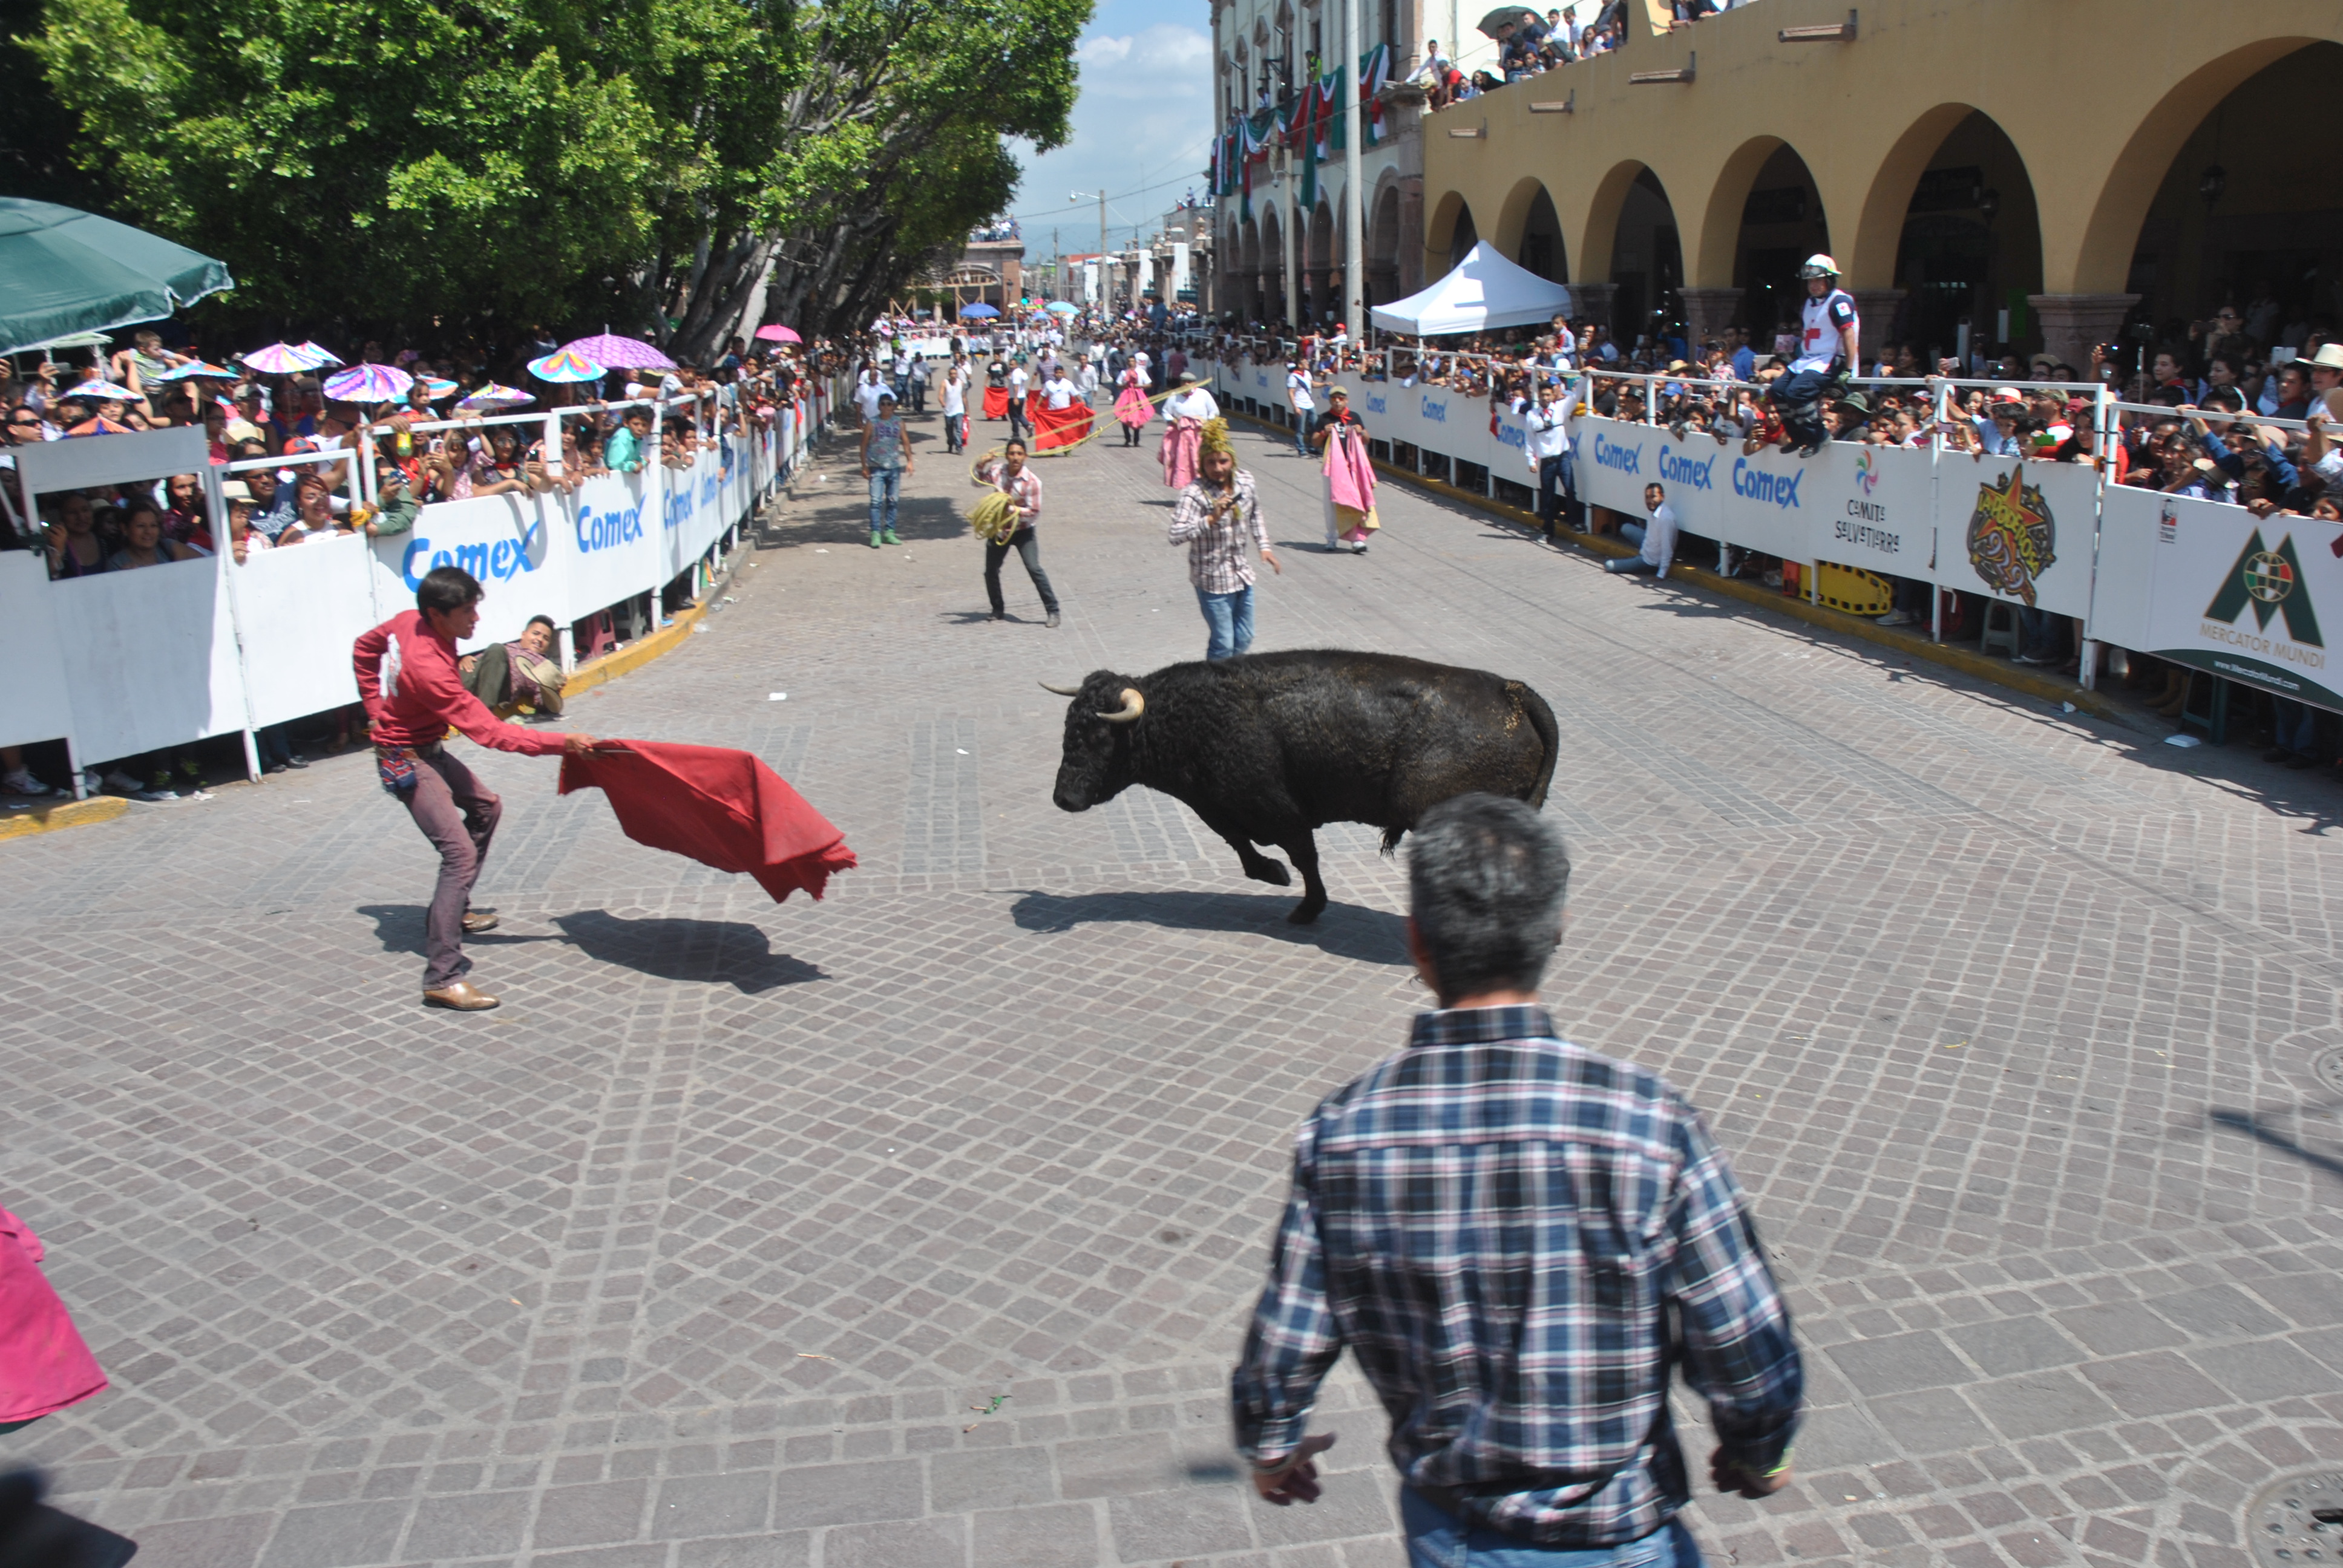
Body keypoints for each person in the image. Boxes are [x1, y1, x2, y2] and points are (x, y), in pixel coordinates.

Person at [1230, 792, 1801, 1563]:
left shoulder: (1345, 1134)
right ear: (1555, 932)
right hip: (1625, 1527)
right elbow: (1740, 1336)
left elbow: (1288, 1339)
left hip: (1458, 1532)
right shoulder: (1647, 1123)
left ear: (1415, 943)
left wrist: (1272, 1446)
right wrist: (1757, 1450)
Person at [351, 566, 598, 1011]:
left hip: (427, 748)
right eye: (467, 612)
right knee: (459, 853)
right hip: (404, 758)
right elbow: (492, 733)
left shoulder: (410, 621)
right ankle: (443, 976)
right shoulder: (428, 670)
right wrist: (565, 744)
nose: (476, 621)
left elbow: (364, 649)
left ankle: (455, 909)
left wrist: (373, 706)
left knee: (487, 807)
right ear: (436, 613)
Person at [1167, 418, 1279, 661]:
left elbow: (1255, 513)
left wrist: (1265, 547)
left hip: (1241, 576)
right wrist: (1210, 519)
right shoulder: (1193, 494)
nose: (1217, 468)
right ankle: (1214, 688)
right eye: (1210, 463)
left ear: (1233, 461)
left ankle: (1226, 677)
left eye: (1223, 461)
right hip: (1212, 581)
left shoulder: (1246, 482)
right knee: (1223, 643)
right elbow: (1175, 535)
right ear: (1201, 464)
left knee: (1245, 637)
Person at [1773, 255, 1858, 457]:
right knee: (1777, 390)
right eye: (1811, 281)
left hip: (1830, 359)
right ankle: (1798, 436)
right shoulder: (1809, 304)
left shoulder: (1839, 301)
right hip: (1807, 360)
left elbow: (1848, 334)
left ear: (1829, 280)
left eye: (1819, 280)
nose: (1814, 285)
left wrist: (1848, 367)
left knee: (1796, 393)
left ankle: (1818, 435)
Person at [974, 438, 1061, 628]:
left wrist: (1011, 510)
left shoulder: (1032, 482)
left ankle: (1053, 610)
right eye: (1012, 454)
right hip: (1000, 529)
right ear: (1006, 456)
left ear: (1025, 456)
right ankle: (997, 609)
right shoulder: (997, 471)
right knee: (990, 571)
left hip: (1023, 531)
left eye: (1019, 454)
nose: (1016, 458)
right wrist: (981, 464)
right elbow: (977, 482)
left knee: (1034, 568)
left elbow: (1034, 511)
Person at [460, 614, 568, 718]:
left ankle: (483, 715)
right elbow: (483, 660)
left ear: (549, 645)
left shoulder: (544, 665)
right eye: (536, 633)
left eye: (546, 638)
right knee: (471, 663)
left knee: (496, 649)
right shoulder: (508, 647)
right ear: (523, 634)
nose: (540, 639)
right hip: (478, 678)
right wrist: (466, 659)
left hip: (501, 688)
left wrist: (554, 690)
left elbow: (543, 704)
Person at [1311, 387, 1376, 554]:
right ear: (1330, 401)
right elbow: (1315, 442)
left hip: (1352, 467)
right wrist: (1324, 433)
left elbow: (1367, 439)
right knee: (1332, 504)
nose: (1338, 402)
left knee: (1357, 501)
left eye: (1341, 398)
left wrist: (1361, 432)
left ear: (1346, 400)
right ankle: (1332, 537)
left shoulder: (1354, 417)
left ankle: (1357, 539)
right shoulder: (1324, 418)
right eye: (1334, 399)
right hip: (1333, 468)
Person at [1522, 376, 1581, 538]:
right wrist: (1531, 460)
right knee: (1548, 497)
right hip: (1547, 462)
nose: (1545, 398)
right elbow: (1530, 439)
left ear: (1553, 396)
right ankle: (1548, 531)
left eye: (1548, 395)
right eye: (1543, 395)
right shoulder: (1532, 415)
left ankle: (1574, 522)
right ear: (1538, 396)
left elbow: (1577, 396)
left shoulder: (1560, 408)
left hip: (1563, 458)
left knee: (1570, 490)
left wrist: (1583, 377)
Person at [860, 389, 911, 549]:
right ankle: (875, 533)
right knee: (875, 502)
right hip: (876, 467)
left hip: (894, 467)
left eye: (889, 404)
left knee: (893, 501)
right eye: (883, 404)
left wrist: (910, 461)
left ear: (893, 407)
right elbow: (863, 445)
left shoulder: (899, 422)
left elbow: (906, 442)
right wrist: (864, 466)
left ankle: (889, 532)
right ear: (879, 406)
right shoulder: (872, 423)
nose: (886, 407)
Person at [1161, 371, 1221, 489]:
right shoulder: (1174, 395)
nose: (1186, 384)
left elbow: (1214, 411)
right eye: (1184, 382)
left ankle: (1206, 486)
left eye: (1189, 382)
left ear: (1194, 383)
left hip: (1202, 434)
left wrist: (1207, 422)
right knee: (1184, 461)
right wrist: (1174, 420)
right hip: (1183, 437)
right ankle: (1186, 487)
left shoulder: (1204, 394)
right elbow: (1165, 411)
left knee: (1201, 460)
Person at [1606, 481, 1679, 577]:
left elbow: (1667, 548)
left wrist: (1661, 574)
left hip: (1651, 561)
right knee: (1625, 528)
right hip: (1649, 547)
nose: (1649, 501)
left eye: (1653, 497)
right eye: (1647, 497)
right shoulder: (1653, 511)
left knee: (1609, 565)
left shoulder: (1666, 519)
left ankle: (1640, 561)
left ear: (1662, 497)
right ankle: (1640, 555)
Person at [1114, 359, 1154, 446]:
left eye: (1132, 361)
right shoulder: (1124, 373)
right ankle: (1127, 438)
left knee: (1138, 417)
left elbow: (1149, 384)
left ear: (1136, 363)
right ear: (1127, 363)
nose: (1131, 363)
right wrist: (1125, 386)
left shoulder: (1141, 372)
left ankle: (1136, 440)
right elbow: (1118, 384)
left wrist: (1139, 386)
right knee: (1124, 417)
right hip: (1127, 397)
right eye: (1129, 361)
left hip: (1138, 397)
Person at [1285, 359, 1317, 456]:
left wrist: (1325, 384)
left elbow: (1313, 384)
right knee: (1301, 429)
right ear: (1300, 365)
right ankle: (1301, 449)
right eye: (1305, 363)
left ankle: (1312, 447)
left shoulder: (1307, 373)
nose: (1308, 364)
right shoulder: (1293, 377)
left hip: (1310, 404)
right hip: (1300, 405)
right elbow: (1291, 392)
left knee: (1314, 426)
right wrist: (1295, 407)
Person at [940, 354, 970, 455]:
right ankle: (950, 442)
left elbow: (964, 397)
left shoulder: (961, 383)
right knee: (949, 430)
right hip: (949, 411)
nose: (954, 375)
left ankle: (959, 447)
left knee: (959, 428)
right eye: (952, 374)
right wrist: (943, 403)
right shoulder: (945, 383)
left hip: (959, 409)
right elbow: (940, 395)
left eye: (955, 374)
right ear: (949, 375)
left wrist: (967, 409)